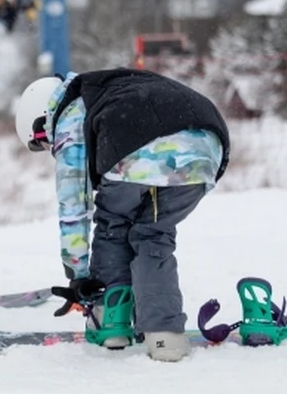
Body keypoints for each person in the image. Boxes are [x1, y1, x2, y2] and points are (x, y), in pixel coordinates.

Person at [13, 68, 230, 361]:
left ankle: (111, 321)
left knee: (113, 226)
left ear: (41, 119)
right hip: (205, 149)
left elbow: (74, 207)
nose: (51, 146)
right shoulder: (108, 87)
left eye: (43, 141)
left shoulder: (70, 113)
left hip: (136, 150)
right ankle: (165, 336)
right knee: (153, 234)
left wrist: (79, 277)